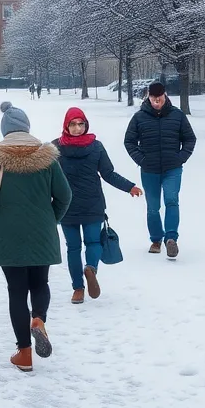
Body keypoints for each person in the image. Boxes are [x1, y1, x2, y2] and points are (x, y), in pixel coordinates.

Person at [0, 102, 71, 373]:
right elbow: (65, 196)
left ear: (4, 130)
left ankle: (24, 353)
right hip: (43, 232)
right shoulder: (47, 158)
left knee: (16, 291)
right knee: (40, 282)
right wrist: (52, 219)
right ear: (27, 127)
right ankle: (38, 319)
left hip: (8, 235)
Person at [54, 107, 142, 304]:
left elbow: (108, 173)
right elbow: (108, 174)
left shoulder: (58, 147)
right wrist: (129, 187)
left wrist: (129, 187)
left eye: (80, 124)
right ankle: (91, 268)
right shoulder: (90, 146)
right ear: (66, 126)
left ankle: (78, 289)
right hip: (81, 205)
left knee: (73, 248)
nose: (77, 128)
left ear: (86, 124)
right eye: (73, 124)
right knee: (91, 244)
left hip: (73, 205)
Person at [124, 81, 196, 259]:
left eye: (160, 98)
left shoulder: (177, 115)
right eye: (154, 98)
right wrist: (141, 159)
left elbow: (189, 139)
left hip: (172, 168)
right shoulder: (139, 117)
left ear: (165, 96)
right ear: (148, 97)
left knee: (172, 200)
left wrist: (181, 158)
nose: (157, 101)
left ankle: (171, 239)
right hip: (150, 169)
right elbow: (129, 142)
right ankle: (156, 239)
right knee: (153, 207)